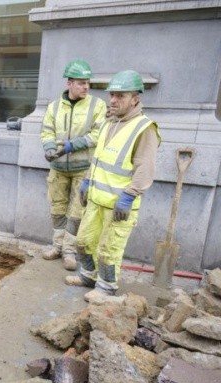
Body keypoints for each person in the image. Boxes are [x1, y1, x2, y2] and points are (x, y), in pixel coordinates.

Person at [65, 70, 161, 301]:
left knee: (109, 249)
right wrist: (88, 181)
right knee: (84, 241)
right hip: (97, 200)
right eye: (112, 95)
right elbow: (99, 158)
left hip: (118, 205)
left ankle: (106, 288)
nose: (113, 100)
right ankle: (89, 276)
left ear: (135, 99)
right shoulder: (110, 123)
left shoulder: (143, 128)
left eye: (120, 96)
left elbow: (145, 168)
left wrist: (129, 195)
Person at [40, 60, 107, 270]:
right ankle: (57, 246)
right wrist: (50, 148)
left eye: (87, 83)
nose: (86, 87)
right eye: (81, 83)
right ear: (69, 83)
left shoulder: (97, 106)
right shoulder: (54, 107)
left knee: (77, 211)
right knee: (57, 209)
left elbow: (98, 134)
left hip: (83, 169)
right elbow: (47, 130)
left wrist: (71, 146)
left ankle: (69, 250)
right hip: (58, 168)